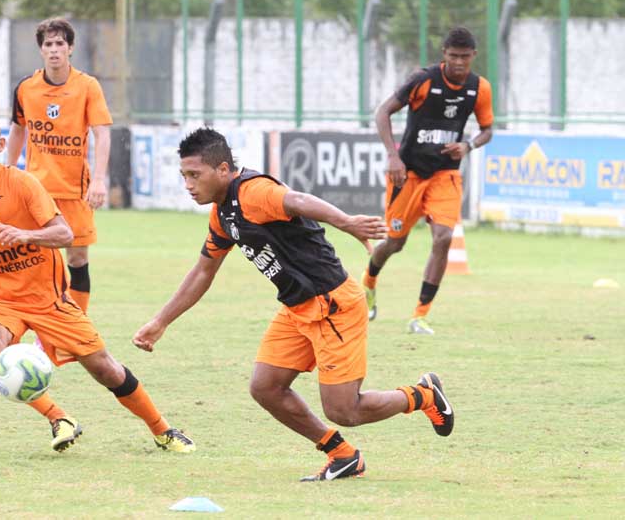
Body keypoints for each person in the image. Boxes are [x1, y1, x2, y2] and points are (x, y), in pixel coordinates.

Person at [132, 127, 454, 481]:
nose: (188, 184)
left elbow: (296, 200)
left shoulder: (253, 191)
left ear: (222, 169)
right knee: (266, 387)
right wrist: (161, 321)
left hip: (333, 305)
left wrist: (346, 222)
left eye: (195, 175)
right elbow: (203, 271)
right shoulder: (222, 213)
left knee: (345, 410)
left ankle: (421, 396)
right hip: (296, 308)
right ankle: (342, 454)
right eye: (184, 176)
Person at [0, 111, 194, 454]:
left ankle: (162, 430)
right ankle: (59, 417)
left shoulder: (23, 183)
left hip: (48, 299)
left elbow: (65, 233)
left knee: (106, 370)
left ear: (1, 145)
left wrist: (23, 235)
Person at [366, 26, 494, 335]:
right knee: (394, 243)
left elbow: (487, 129)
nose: (459, 63)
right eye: (453, 56)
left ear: (473, 56)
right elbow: (383, 112)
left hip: (445, 174)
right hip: (407, 174)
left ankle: (420, 315)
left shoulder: (480, 88)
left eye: (465, 57)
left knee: (444, 238)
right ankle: (369, 282)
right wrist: (392, 155)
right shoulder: (423, 81)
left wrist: (468, 145)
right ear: (444, 55)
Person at [6, 17, 111, 314]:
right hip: (37, 190)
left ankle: (77, 325)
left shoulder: (87, 87)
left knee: (77, 259)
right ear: (41, 50)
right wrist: (8, 172)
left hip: (74, 191)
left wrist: (100, 180)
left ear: (70, 48)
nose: (54, 50)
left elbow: (103, 133)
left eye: (60, 44)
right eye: (48, 44)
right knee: (35, 260)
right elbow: (17, 130)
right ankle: (42, 322)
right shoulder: (26, 88)